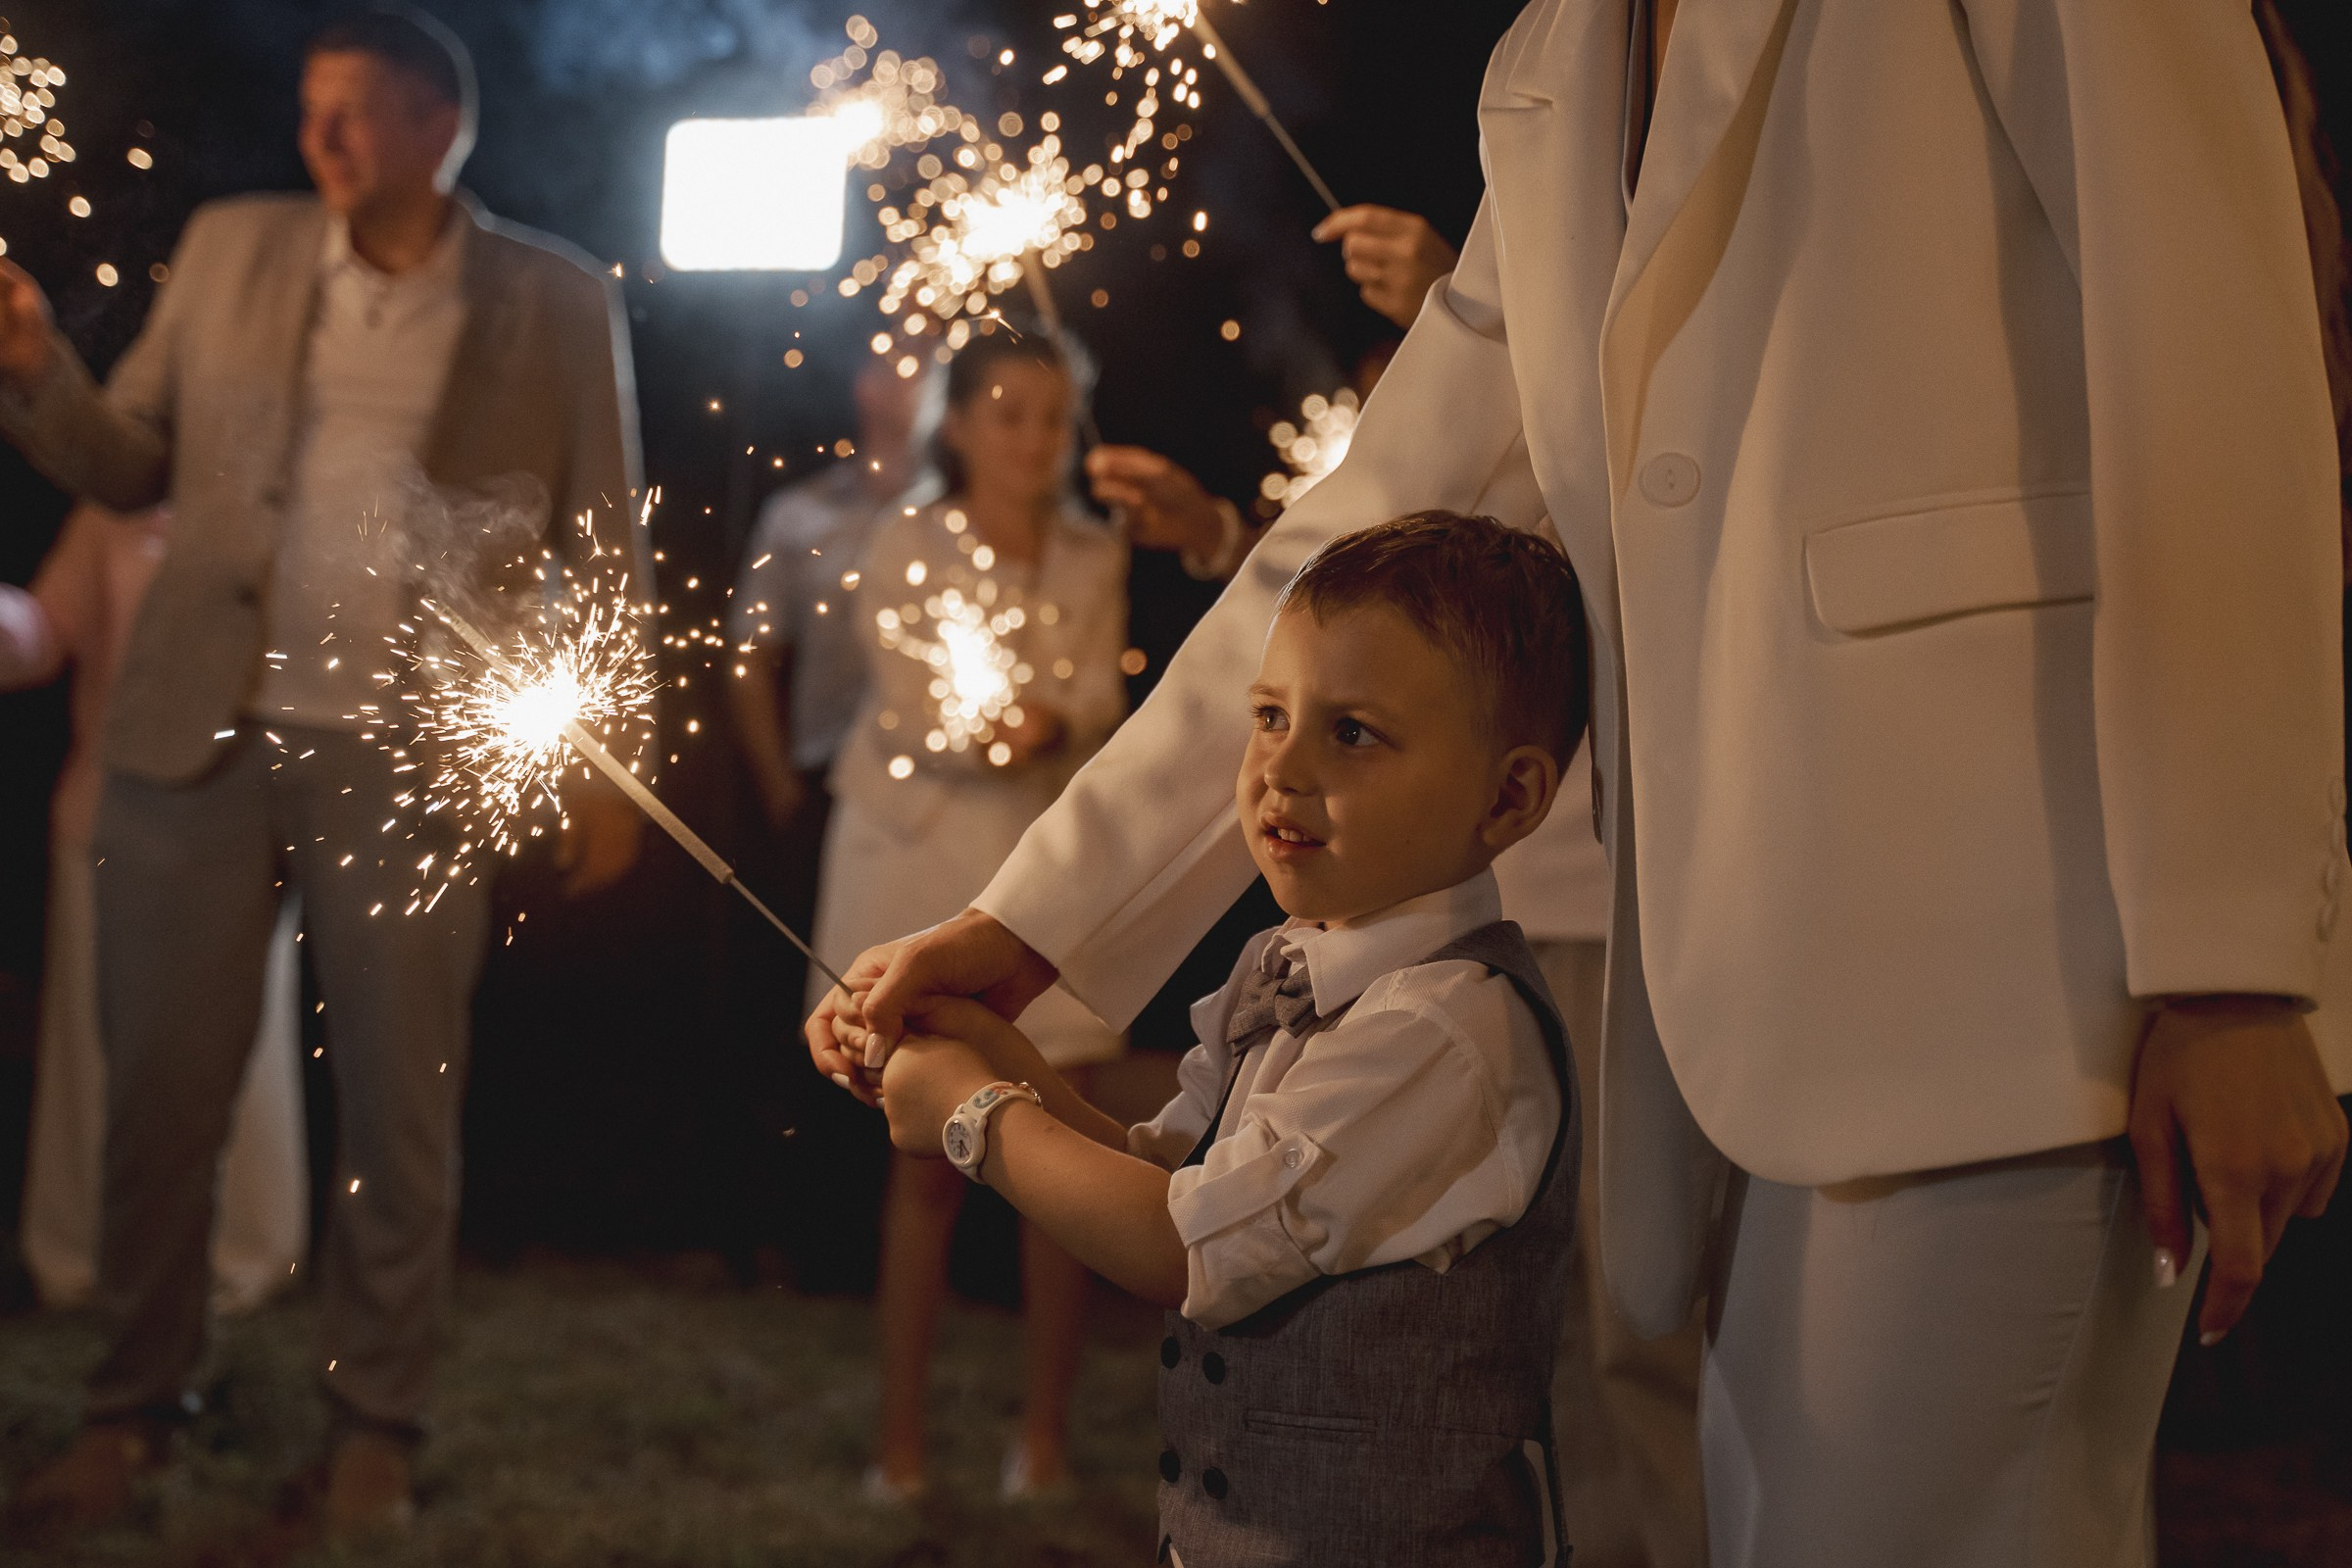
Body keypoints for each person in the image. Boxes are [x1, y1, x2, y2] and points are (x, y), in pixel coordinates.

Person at [818, 3, 2352, 1564]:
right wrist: (1037, 925)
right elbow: (1355, 543)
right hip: (1723, 997)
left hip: (2024, 957)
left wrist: (2233, 965)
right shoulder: (1557, 55)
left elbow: (2219, 357)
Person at [0, 9, 647, 1540]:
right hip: (195, 737)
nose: (323, 139)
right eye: (311, 109)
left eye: (354, 111)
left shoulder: (551, 298)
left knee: (397, 1110)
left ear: (442, 127)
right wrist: (34, 374)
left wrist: (607, 771)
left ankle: (375, 1428)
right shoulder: (234, 248)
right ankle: (131, 1411)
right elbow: (130, 461)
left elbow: (606, 541)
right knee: (158, 1093)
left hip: (406, 760)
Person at [1110, 202, 1708, 1567]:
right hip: (1448, 916)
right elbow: (1356, 618)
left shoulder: (1620, 380)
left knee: (1624, 1320)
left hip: (1607, 905)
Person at [826, 513, 1588, 1564]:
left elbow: (1180, 1244)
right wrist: (990, 1050)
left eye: (1352, 732)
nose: (1282, 769)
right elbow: (1171, 1174)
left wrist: (973, 1118)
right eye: (1270, 715)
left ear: (1509, 795)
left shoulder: (1446, 1032)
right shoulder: (1283, 967)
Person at [809, 323, 1130, 1501]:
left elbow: (1101, 686)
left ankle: (1040, 1439)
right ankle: (902, 1444)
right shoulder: (905, 539)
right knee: (926, 1164)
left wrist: (1054, 719)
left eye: (1054, 416)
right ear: (958, 422)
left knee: (1059, 1161)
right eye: (1010, 415)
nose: (1036, 441)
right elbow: (901, 706)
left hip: (1039, 876)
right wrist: (979, 731)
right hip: (915, 865)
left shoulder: (1094, 551)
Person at [0, 503, 306, 1317]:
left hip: (248, 821)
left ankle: (241, 1266)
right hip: (107, 818)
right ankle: (80, 1263)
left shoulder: (287, 502)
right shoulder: (110, 512)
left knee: (247, 1051)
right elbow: (40, 632)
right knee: (95, 1050)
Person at [728, 354, 936, 997]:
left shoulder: (965, 515)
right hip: (825, 780)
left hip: (936, 785)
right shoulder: (798, 514)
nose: (923, 378)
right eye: (907, 363)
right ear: (865, 384)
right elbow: (749, 655)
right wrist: (782, 789)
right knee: (825, 986)